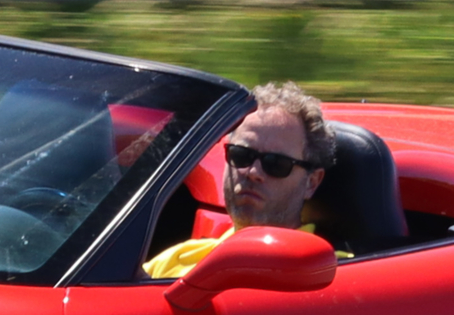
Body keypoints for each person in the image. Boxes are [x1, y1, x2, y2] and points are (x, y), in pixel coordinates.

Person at [144, 81, 339, 280]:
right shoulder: (175, 260)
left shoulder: (338, 274)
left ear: (311, 182)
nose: (253, 171)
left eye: (276, 164)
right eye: (241, 155)